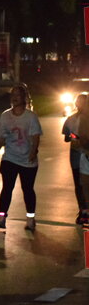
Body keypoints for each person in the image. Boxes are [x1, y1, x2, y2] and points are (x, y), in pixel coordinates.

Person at [0, 84, 42, 230]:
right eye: (12, 95)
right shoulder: (5, 116)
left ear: (24, 97)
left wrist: (33, 152)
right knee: (7, 188)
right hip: (10, 158)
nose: (14, 98)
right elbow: (0, 137)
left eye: (18, 95)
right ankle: (1, 218)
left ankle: (30, 218)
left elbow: (36, 137)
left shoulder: (31, 117)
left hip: (27, 160)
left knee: (28, 189)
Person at [62, 93, 88, 224]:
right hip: (76, 155)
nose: (81, 104)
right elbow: (66, 137)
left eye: (84, 101)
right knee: (78, 184)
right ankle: (82, 210)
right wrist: (74, 137)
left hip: (86, 154)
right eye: (79, 101)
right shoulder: (71, 119)